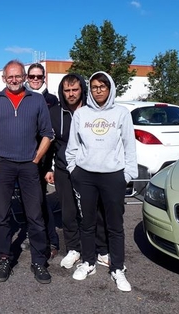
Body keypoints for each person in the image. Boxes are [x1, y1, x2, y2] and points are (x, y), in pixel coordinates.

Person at [0, 60, 54, 284]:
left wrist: (37, 158)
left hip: (28, 165)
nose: (14, 80)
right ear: (3, 78)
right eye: (10, 77)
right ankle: (5, 257)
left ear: (24, 77)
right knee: (2, 215)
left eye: (18, 76)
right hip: (3, 164)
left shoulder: (37, 99)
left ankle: (39, 261)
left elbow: (47, 133)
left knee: (35, 215)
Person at [66, 71, 137, 292]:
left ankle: (117, 268)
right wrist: (73, 170)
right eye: (95, 86)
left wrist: (127, 175)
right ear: (90, 89)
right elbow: (72, 146)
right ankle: (88, 262)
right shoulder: (81, 114)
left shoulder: (121, 113)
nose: (98, 90)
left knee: (114, 225)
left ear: (110, 89)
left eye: (103, 87)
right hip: (85, 176)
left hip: (113, 176)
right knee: (87, 223)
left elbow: (129, 146)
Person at [44, 74, 110, 269]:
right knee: (68, 212)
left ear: (82, 89)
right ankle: (74, 249)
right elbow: (50, 142)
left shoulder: (93, 112)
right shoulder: (55, 113)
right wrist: (49, 167)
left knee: (95, 210)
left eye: (75, 89)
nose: (71, 94)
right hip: (64, 169)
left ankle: (102, 249)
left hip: (90, 169)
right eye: (67, 90)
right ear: (62, 92)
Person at [22, 63, 60, 257]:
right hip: (24, 159)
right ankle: (36, 235)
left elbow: (53, 136)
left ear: (44, 78)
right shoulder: (23, 97)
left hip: (42, 161)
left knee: (40, 201)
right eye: (32, 76)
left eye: (39, 76)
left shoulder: (52, 100)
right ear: (27, 77)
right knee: (30, 201)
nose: (35, 79)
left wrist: (50, 166)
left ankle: (51, 240)